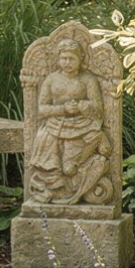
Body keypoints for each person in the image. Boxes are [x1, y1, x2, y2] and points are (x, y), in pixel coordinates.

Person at [26, 39, 112, 205]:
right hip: (54, 127)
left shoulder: (88, 79)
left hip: (82, 127)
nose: (67, 62)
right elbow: (42, 109)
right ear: (58, 59)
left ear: (81, 58)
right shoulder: (51, 79)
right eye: (63, 58)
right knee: (52, 167)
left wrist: (81, 106)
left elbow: (98, 108)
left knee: (69, 169)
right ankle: (55, 191)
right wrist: (63, 109)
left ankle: (97, 141)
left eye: (71, 58)